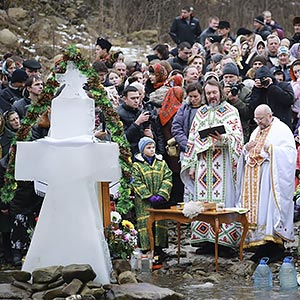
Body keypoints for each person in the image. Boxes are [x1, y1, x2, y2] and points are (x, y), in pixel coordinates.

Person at [180, 78, 244, 255]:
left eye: (214, 92)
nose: (211, 96)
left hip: (222, 163)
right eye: (208, 93)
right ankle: (206, 241)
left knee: (223, 202)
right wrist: (191, 165)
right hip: (203, 165)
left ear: (221, 91)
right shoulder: (200, 113)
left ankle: (225, 242)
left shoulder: (231, 111)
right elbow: (192, 139)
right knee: (202, 202)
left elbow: (238, 138)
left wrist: (223, 138)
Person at [236, 104, 296, 263]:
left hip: (270, 179)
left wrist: (273, 150)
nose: (259, 122)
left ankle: (275, 247)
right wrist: (246, 149)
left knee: (269, 212)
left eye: (261, 119)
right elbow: (250, 152)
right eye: (256, 119)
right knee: (260, 212)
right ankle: (261, 246)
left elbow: (290, 153)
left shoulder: (281, 130)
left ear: (270, 115)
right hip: (255, 179)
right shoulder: (256, 131)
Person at [132, 137, 172, 261]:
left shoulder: (162, 163)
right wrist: (148, 196)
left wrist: (162, 194)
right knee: (146, 223)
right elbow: (136, 182)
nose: (152, 150)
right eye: (148, 148)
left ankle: (159, 250)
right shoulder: (137, 165)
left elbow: (168, 177)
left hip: (159, 202)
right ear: (142, 150)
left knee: (160, 223)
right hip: (144, 202)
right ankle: (147, 249)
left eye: (153, 147)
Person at [222, 62, 252, 142]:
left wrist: (236, 101)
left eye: (231, 77)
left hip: (240, 131)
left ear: (238, 78)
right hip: (222, 130)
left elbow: (248, 114)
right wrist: (223, 96)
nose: (228, 80)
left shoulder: (246, 92)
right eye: (226, 77)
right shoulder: (217, 90)